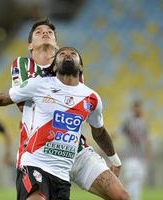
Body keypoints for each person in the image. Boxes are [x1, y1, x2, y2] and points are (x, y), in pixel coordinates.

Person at [0, 47, 129, 200]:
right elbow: (4, 98)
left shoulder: (92, 98)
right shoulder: (38, 84)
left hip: (62, 172)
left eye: (72, 54)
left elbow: (99, 131)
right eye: (62, 54)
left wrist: (114, 159)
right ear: (55, 66)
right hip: (36, 163)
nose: (67, 55)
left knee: (123, 197)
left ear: (81, 66)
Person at [11, 18, 126, 200]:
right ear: (30, 45)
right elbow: (21, 103)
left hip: (74, 148)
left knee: (121, 196)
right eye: (39, 32)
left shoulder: (69, 64)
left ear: (56, 43)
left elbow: (76, 104)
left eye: (49, 32)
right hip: (41, 151)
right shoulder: (23, 65)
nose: (45, 33)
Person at [120, 100, 152, 200]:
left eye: (139, 108)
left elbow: (146, 139)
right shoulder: (128, 122)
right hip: (130, 156)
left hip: (140, 156)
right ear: (133, 109)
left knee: (138, 180)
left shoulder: (144, 123)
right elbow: (118, 132)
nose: (138, 110)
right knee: (131, 179)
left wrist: (148, 153)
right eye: (136, 108)